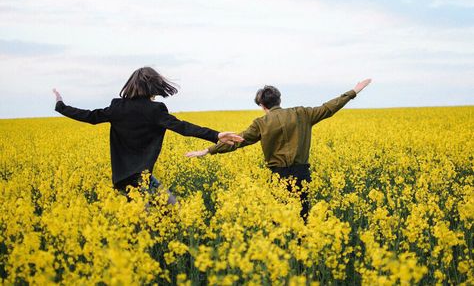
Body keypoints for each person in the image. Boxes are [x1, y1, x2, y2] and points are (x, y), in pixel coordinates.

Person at [53, 66, 243, 204]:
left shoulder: (117, 107)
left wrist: (61, 106)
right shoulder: (155, 110)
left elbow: (89, 116)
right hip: (137, 179)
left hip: (130, 177)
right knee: (154, 218)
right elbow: (183, 127)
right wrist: (216, 135)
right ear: (154, 87)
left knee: (167, 209)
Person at [186, 79, 372, 219]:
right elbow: (328, 108)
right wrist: (354, 91)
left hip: (279, 176)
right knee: (303, 218)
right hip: (302, 174)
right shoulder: (302, 113)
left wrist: (209, 150)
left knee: (279, 219)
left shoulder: (260, 123)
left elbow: (237, 141)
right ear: (279, 99)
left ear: (262, 105)